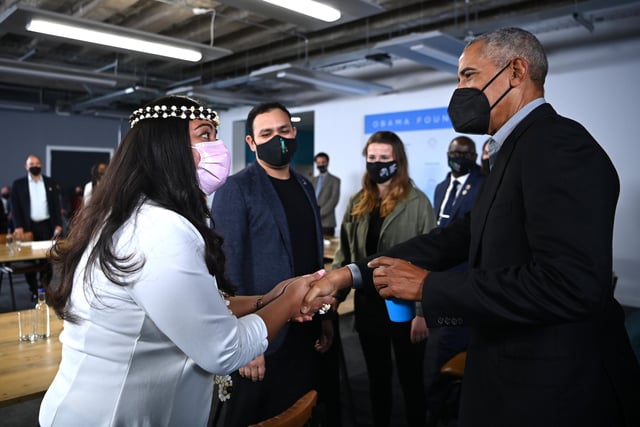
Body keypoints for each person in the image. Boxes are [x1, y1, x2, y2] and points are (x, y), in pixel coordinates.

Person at [303, 27, 640, 426]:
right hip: (511, 368)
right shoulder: (515, 149)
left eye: (468, 75)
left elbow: (570, 284)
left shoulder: (558, 145)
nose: (459, 89)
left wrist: (428, 287)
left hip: (553, 389)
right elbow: (461, 235)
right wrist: (351, 273)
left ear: (516, 71)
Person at [38, 95, 331, 427]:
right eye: (205, 135)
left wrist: (268, 298)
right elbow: (224, 351)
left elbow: (197, 306)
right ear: (168, 148)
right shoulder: (159, 229)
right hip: (115, 415)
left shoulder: (132, 216)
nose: (218, 146)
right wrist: (290, 301)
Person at [210, 101, 334, 426]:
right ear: (251, 143)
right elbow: (228, 270)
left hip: (305, 329)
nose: (277, 139)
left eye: (283, 131)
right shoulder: (235, 189)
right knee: (262, 416)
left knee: (301, 410)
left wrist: (324, 315)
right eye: (266, 133)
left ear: (293, 133)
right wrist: (246, 340)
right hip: (263, 335)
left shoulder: (305, 185)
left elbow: (312, 258)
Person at [331, 130, 435, 427]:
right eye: (372, 158)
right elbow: (345, 254)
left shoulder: (418, 203)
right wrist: (334, 298)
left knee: (411, 378)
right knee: (377, 379)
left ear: (398, 160)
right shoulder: (357, 202)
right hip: (369, 305)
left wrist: (422, 313)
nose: (377, 164)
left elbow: (431, 260)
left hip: (404, 304)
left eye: (384, 158)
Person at [427, 135, 484, 422]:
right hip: (440, 276)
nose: (459, 156)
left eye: (465, 152)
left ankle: (446, 410)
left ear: (473, 155)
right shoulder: (440, 187)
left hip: (466, 276)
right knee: (439, 342)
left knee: (451, 344)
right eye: (454, 151)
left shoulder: (483, 185)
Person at [10, 154, 63, 299]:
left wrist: (58, 224)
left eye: (37, 163)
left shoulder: (50, 183)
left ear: (41, 165)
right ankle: (33, 289)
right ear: (26, 167)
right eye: (31, 163)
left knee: (47, 259)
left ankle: (43, 288)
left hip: (46, 226)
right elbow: (15, 208)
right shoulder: (18, 184)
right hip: (28, 228)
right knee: (30, 261)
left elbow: (56, 206)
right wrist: (18, 226)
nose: (35, 165)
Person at [312, 152, 341, 237]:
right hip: (313, 222)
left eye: (323, 162)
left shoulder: (335, 180)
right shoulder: (313, 180)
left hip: (327, 223)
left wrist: (318, 214)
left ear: (328, 162)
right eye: (318, 163)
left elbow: (333, 200)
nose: (321, 165)